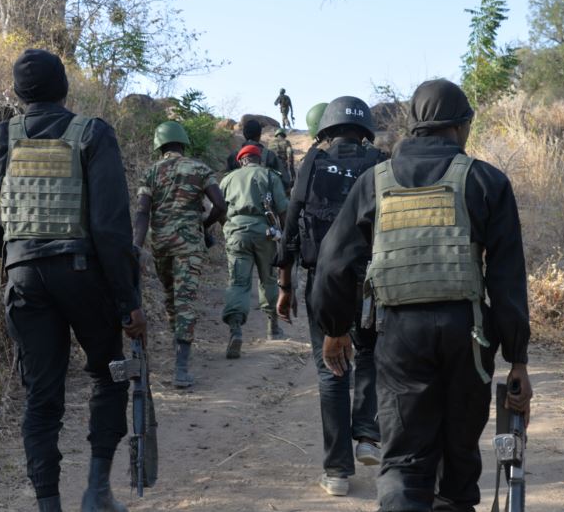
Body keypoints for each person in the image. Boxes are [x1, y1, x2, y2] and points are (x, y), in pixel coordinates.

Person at [311, 79, 533, 512]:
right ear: (462, 126)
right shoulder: (485, 180)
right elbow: (507, 278)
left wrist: (335, 329)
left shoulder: (374, 181)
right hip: (468, 337)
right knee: (459, 457)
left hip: (399, 336)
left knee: (405, 464)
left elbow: (333, 264)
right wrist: (517, 357)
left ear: (413, 126)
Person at [0, 49, 146, 512]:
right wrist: (128, 303)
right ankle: (97, 492)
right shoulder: (93, 134)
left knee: (42, 399)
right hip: (83, 276)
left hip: (24, 280)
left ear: (18, 94)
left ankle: (48, 506)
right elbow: (110, 227)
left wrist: (16, 251)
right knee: (110, 376)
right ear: (64, 88)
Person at [276, 96, 386, 497]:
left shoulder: (313, 163)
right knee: (370, 354)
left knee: (331, 370)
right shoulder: (381, 163)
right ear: (365, 129)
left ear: (325, 131)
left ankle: (338, 472)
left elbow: (291, 225)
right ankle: (369, 436)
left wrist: (285, 286)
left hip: (322, 282)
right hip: (372, 283)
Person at [132, 121, 225, 388]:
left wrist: (135, 248)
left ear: (159, 146)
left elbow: (142, 213)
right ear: (183, 142)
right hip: (190, 247)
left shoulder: (150, 173)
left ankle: (179, 353)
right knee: (186, 300)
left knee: (172, 300)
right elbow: (219, 205)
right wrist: (203, 225)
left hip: (161, 245)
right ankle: (181, 367)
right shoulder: (199, 168)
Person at [218, 145, 290, 359]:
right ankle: (273, 327)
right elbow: (283, 208)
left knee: (239, 282)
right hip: (264, 233)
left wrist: (228, 226)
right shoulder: (269, 175)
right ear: (259, 160)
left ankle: (235, 330)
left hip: (237, 232)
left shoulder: (228, 179)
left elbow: (218, 207)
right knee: (267, 278)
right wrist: (285, 236)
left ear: (241, 161)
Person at [226, 117, 291, 190]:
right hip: (266, 199)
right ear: (259, 135)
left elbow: (227, 183)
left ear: (244, 134)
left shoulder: (233, 157)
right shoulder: (269, 155)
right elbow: (286, 181)